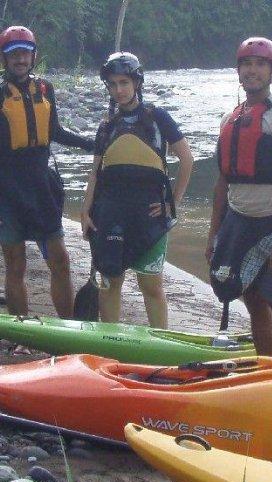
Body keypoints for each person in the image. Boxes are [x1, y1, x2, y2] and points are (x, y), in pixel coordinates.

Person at [207, 37, 272, 365]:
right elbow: (222, 182)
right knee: (252, 299)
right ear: (238, 70)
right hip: (238, 222)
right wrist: (214, 235)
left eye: (260, 64)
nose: (252, 70)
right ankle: (267, 370)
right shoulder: (229, 120)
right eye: (246, 64)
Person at [81, 52, 193, 328]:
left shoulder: (159, 118)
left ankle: (160, 345)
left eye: (123, 82)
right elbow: (95, 173)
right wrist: (85, 212)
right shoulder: (107, 126)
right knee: (110, 284)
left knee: (151, 287)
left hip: (150, 216)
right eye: (112, 84)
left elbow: (187, 160)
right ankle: (110, 345)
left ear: (137, 83)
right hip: (111, 215)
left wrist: (172, 204)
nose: (118, 90)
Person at [0, 25, 94, 317]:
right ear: (5, 59)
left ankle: (67, 328)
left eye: (25, 53)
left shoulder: (45, 89)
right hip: (8, 191)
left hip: (42, 187)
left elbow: (54, 132)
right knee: (15, 264)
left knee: (60, 260)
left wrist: (91, 143)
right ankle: (23, 335)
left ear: (33, 56)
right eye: (13, 54)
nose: (20, 59)